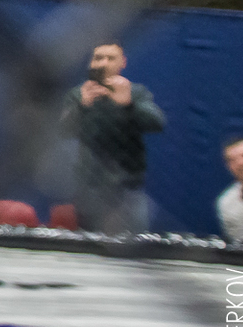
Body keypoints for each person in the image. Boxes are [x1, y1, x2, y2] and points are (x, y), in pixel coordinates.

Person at [58, 42, 164, 235]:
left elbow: (157, 123)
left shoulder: (135, 93)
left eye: (111, 58)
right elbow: (63, 131)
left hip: (127, 187)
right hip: (90, 188)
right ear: (91, 63)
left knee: (134, 242)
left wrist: (127, 105)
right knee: (89, 244)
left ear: (122, 63)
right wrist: (82, 105)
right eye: (98, 58)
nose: (104, 63)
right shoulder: (78, 94)